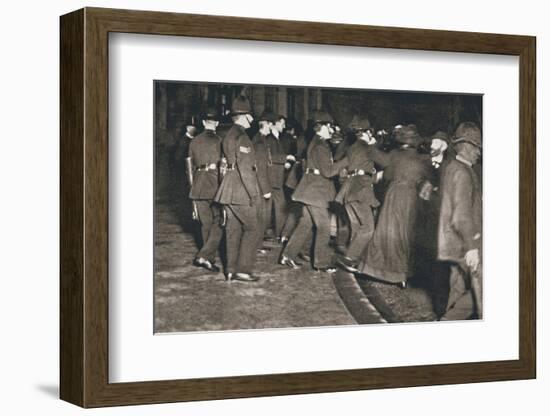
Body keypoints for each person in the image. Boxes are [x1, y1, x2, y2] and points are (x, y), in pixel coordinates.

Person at [358, 124, 431, 288]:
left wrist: (370, 143)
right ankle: (403, 274)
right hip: (411, 197)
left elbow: (384, 169)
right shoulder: (422, 158)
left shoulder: (395, 155)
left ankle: (380, 270)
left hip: (395, 195)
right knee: (405, 234)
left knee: (386, 231)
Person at [280, 111, 349, 272]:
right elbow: (328, 171)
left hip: (310, 189)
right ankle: (321, 263)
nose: (331, 130)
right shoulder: (321, 146)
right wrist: (346, 161)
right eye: (329, 126)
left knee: (305, 224)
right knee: (323, 227)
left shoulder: (317, 142)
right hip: (316, 192)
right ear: (322, 127)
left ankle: (287, 256)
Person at [214, 96, 264, 282]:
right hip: (240, 190)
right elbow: (246, 170)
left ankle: (230, 269)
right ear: (244, 117)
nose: (252, 120)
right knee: (253, 228)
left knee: (233, 229)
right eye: (250, 116)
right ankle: (243, 269)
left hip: (227, 188)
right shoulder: (242, 137)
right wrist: (254, 195)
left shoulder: (228, 135)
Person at [437, 122, 483, 320]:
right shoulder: (462, 173)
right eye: (475, 147)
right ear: (464, 147)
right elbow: (461, 215)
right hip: (465, 242)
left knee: (458, 287)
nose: (478, 152)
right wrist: (472, 247)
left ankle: (447, 326)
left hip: (453, 242)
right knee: (482, 290)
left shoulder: (453, 167)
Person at [335, 115, 380, 272]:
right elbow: (385, 161)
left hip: (348, 191)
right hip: (361, 191)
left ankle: (354, 261)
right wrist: (374, 145)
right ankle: (349, 259)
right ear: (367, 133)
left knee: (356, 226)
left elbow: (356, 168)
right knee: (368, 228)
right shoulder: (367, 147)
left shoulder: (352, 147)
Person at [188, 108, 224, 272]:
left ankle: (208, 259)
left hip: (198, 184)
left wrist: (192, 186)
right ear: (216, 123)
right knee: (221, 222)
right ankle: (204, 255)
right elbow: (223, 166)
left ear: (203, 123)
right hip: (214, 184)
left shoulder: (194, 141)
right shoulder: (219, 140)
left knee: (205, 224)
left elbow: (189, 166)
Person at [252, 111, 275, 254]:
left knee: (262, 217)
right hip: (260, 186)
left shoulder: (262, 139)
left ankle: (258, 243)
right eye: (271, 124)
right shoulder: (259, 143)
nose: (272, 126)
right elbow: (260, 168)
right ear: (265, 124)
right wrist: (265, 189)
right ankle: (255, 245)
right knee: (260, 217)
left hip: (261, 184)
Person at [266, 115, 291, 240]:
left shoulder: (277, 138)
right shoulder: (269, 138)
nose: (284, 126)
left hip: (276, 178)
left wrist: (283, 163)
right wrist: (285, 158)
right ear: (275, 124)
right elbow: (268, 157)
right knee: (278, 206)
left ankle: (278, 233)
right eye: (282, 123)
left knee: (276, 206)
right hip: (271, 178)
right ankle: (280, 234)